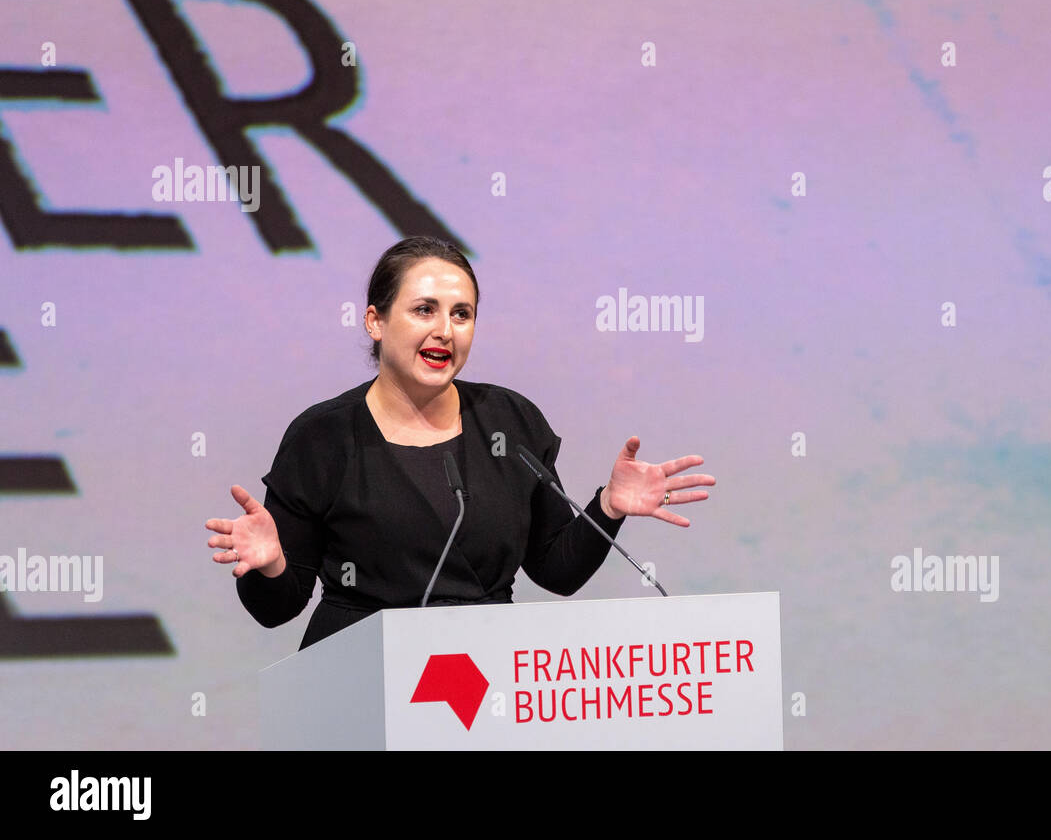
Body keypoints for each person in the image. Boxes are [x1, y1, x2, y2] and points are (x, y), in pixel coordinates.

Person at [205, 236, 713, 649]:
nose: (445, 331)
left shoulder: (509, 421)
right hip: (360, 679)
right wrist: (272, 565)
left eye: (461, 314)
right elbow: (277, 610)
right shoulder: (323, 437)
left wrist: (607, 507)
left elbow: (556, 571)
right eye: (424, 309)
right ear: (375, 321)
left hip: (490, 674)